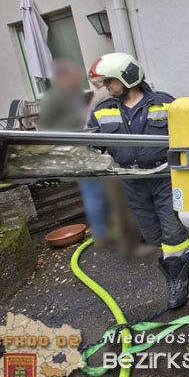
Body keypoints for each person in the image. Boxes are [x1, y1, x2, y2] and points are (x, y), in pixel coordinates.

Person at [87, 52, 189, 309]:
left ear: (127, 78)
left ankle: (177, 280)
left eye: (109, 81)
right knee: (152, 233)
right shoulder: (102, 112)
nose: (105, 86)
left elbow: (187, 136)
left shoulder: (165, 104)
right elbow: (92, 146)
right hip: (132, 181)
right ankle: (185, 258)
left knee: (172, 231)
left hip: (164, 176)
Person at [39, 59, 111, 243]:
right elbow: (47, 130)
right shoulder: (53, 99)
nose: (79, 80)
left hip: (88, 149)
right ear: (62, 77)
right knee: (92, 192)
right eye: (75, 76)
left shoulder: (74, 94)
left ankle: (108, 227)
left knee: (103, 190)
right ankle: (101, 233)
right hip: (76, 153)